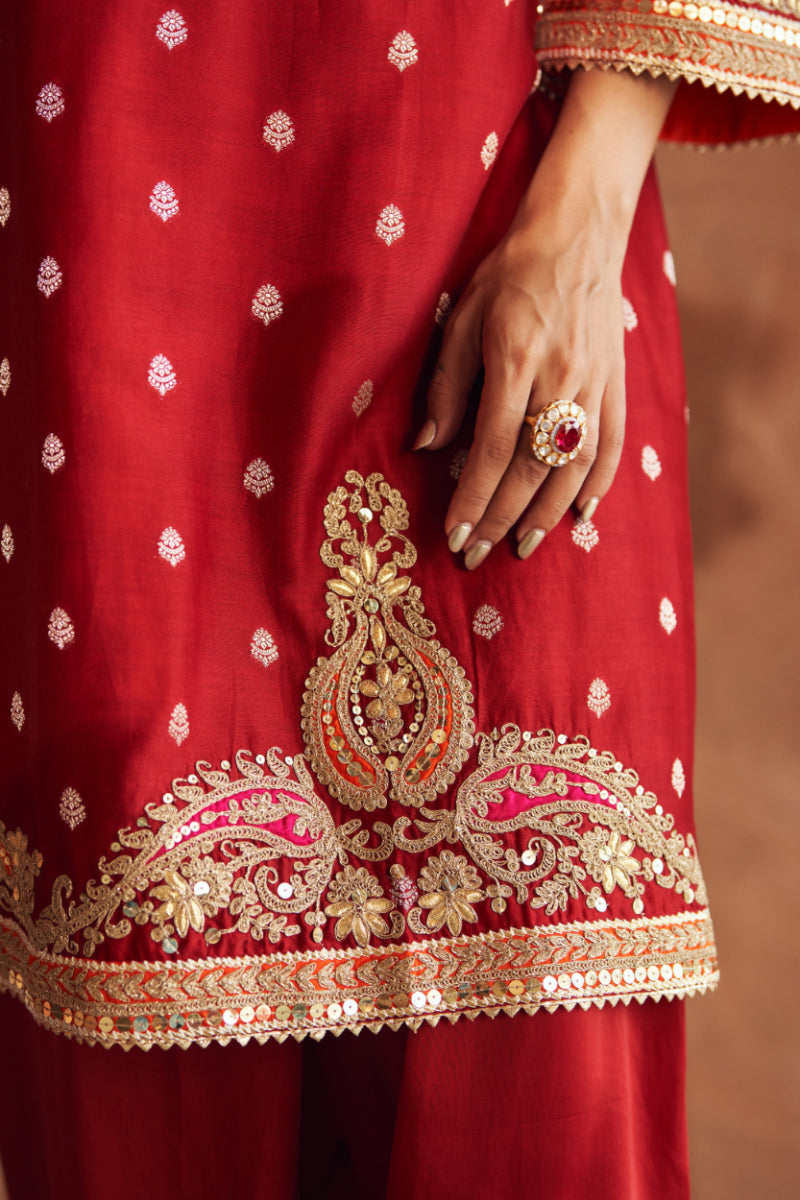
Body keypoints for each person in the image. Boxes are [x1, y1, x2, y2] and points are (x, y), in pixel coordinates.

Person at [0, 3, 798, 1197]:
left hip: (496, 218)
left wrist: (585, 213)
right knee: (148, 1057)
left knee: (536, 1057)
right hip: (107, 237)